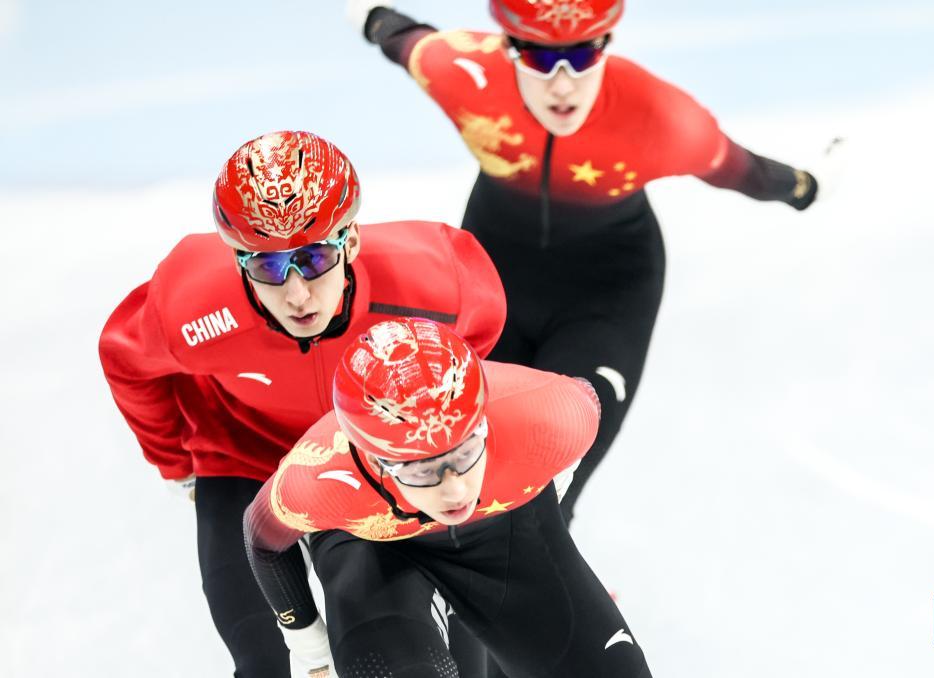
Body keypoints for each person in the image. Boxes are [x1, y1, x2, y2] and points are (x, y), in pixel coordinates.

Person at [345, 0, 820, 523]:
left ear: (607, 46)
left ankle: (545, 579)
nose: (563, 85)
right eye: (541, 59)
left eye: (583, 56)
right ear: (509, 49)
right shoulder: (463, 75)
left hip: (607, 291)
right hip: (494, 281)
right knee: (450, 458)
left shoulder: (661, 116)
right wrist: (371, 14)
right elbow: (403, 37)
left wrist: (804, 186)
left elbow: (743, 170)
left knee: (554, 467)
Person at [98, 131, 506, 677]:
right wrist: (177, 463)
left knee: (453, 658)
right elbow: (125, 360)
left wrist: (441, 446)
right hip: (245, 463)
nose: (295, 294)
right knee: (264, 662)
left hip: (369, 465)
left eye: (314, 259)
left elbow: (480, 347)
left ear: (351, 241)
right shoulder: (189, 303)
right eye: (267, 267)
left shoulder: (434, 281)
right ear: (237, 260)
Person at [244, 317, 653, 678]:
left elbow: (586, 408)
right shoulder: (322, 477)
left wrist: (542, 492)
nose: (454, 488)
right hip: (373, 545)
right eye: (421, 469)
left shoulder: (552, 414)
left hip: (504, 526)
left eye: (465, 452)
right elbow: (261, 540)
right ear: (375, 460)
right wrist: (308, 644)